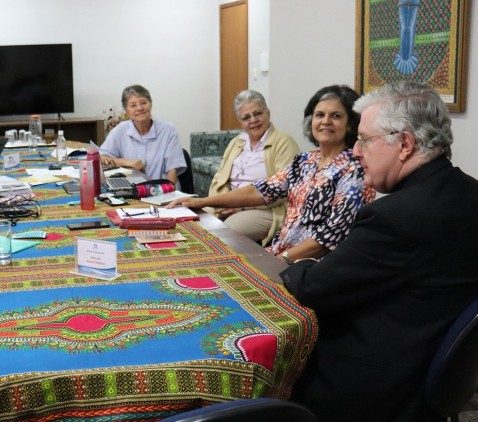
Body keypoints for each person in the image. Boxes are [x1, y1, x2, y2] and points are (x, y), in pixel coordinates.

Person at [280, 81, 478, 422]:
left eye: (365, 140)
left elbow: (312, 288)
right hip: (436, 371)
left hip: (374, 387)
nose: (356, 150)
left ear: (404, 144)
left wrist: (291, 263)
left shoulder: (395, 217)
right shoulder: (469, 192)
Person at [169, 85, 375, 262]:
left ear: (350, 124)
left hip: (314, 265)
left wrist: (278, 261)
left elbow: (329, 238)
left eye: (336, 116)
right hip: (282, 252)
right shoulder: (305, 161)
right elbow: (260, 190)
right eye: (320, 115)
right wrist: (200, 202)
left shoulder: (354, 169)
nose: (326, 121)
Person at [207, 90, 300, 245]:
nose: (253, 120)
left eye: (258, 113)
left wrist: (241, 207)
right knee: (196, 223)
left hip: (266, 209)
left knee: (226, 233)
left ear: (268, 113)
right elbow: (219, 178)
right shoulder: (237, 142)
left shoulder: (284, 142)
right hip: (229, 203)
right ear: (240, 122)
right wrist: (218, 202)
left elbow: (284, 190)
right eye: (246, 117)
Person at [99, 84, 186, 184]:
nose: (140, 108)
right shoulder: (120, 130)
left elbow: (172, 170)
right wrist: (127, 162)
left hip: (162, 190)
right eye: (133, 105)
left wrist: (168, 193)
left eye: (143, 103)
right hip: (133, 190)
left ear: (150, 104)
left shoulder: (169, 130)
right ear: (126, 111)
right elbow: (100, 157)